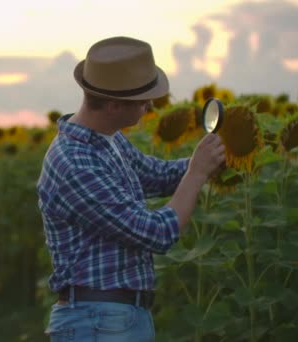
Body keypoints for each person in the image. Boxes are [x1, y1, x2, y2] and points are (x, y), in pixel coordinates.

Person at [36, 36, 225, 341]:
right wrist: (198, 172)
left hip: (115, 318)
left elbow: (156, 175)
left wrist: (214, 159)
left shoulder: (107, 139)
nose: (150, 105)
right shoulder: (75, 163)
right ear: (113, 105)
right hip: (97, 322)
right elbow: (155, 232)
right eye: (143, 100)